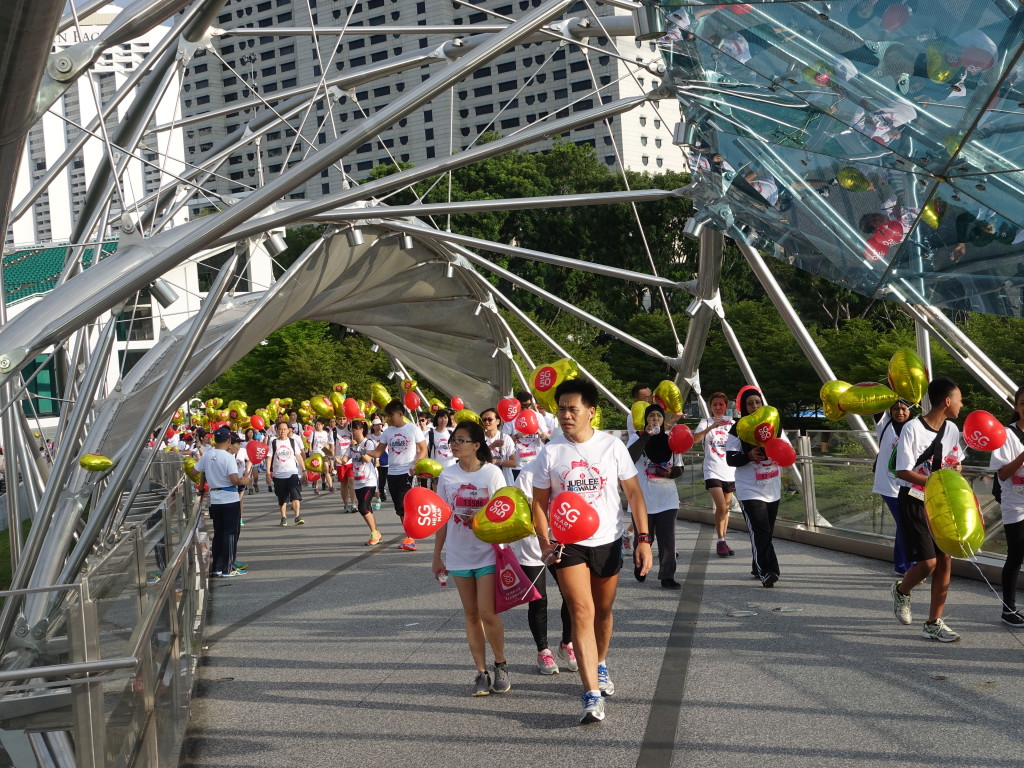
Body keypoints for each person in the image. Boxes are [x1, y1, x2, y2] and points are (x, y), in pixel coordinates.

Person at [531, 379, 653, 725]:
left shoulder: (612, 447)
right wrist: (544, 540)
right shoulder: (551, 452)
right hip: (568, 545)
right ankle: (591, 695)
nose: (565, 415)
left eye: (573, 409)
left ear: (591, 411)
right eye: (561, 409)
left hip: (609, 540)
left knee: (602, 610)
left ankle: (600, 663)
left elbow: (634, 495)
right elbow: (539, 503)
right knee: (580, 610)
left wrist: (643, 539)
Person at [431, 420, 510, 695]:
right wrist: (437, 556)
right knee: (471, 614)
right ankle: (480, 672)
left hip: (487, 553)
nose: (454, 444)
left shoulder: (492, 474)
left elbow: (505, 511)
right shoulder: (447, 476)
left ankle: (501, 664)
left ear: (477, 445)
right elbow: (442, 519)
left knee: (488, 613)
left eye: (461, 440)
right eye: (453, 439)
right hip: (458, 554)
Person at [891, 377, 964, 642]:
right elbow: (903, 470)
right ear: (947, 401)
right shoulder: (912, 428)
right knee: (928, 563)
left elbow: (955, 462)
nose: (961, 404)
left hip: (941, 502)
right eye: (959, 399)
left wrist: (955, 471)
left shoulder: (952, 430)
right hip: (913, 500)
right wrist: (936, 481)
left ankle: (933, 622)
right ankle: (902, 590)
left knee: (946, 558)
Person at [725, 386, 792, 588]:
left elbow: (787, 451)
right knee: (760, 530)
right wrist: (749, 456)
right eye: (749, 403)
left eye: (757, 402)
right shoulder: (737, 428)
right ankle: (769, 571)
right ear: (743, 407)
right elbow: (730, 459)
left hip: (771, 487)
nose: (754, 406)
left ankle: (757, 565)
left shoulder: (775, 425)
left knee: (767, 531)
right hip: (749, 489)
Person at [512, 464, 575, 675]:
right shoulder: (529, 472)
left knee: (572, 594)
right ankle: (543, 651)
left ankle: (567, 643)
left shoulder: (568, 469)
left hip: (561, 540)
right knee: (539, 600)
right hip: (532, 543)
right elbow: (518, 507)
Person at [626, 404, 684, 589]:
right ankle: (641, 565)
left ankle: (667, 576)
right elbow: (628, 458)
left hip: (667, 497)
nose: (655, 419)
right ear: (646, 420)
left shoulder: (671, 439)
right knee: (644, 538)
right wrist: (646, 436)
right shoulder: (637, 437)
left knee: (668, 538)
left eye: (659, 415)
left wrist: (670, 472)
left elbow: (679, 466)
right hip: (642, 498)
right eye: (651, 416)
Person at [361, 401, 427, 550]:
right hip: (392, 473)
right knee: (398, 507)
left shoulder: (413, 429)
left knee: (404, 504)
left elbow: (423, 449)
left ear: (400, 414)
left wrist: (415, 464)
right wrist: (363, 451)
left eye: (391, 415)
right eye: (388, 416)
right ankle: (409, 535)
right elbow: (378, 452)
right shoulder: (388, 432)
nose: (389, 419)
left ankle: (410, 537)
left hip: (407, 472)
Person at [989, 385, 1024, 628]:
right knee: (1016, 555)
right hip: (1017, 504)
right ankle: (1008, 609)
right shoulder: (1006, 435)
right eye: (1023, 403)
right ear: (1016, 407)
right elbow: (1002, 474)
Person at [196, 427, 251, 577]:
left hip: (215, 499)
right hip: (229, 498)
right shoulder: (227, 457)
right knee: (230, 534)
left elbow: (195, 471)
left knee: (219, 533)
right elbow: (234, 480)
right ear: (228, 440)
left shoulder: (207, 455)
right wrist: (244, 480)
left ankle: (217, 567)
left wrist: (201, 487)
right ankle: (228, 568)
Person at [872, 399, 915, 575]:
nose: (900, 412)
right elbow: (877, 399)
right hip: (888, 485)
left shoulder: (915, 427)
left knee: (905, 524)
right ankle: (909, 565)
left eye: (904, 409)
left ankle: (902, 565)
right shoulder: (884, 422)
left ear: (910, 410)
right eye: (896, 409)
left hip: (908, 483)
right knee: (906, 523)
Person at [692, 392, 737, 557]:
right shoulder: (705, 422)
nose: (718, 408)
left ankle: (723, 540)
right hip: (712, 470)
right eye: (715, 405)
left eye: (721, 404)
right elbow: (695, 439)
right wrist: (711, 427)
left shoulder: (732, 424)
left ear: (726, 406)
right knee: (721, 507)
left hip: (730, 471)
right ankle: (720, 541)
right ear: (710, 407)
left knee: (726, 508)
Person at [348, 420, 382, 545]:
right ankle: (377, 533)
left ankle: (374, 533)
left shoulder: (369, 443)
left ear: (361, 429)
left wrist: (358, 447)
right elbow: (343, 460)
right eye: (351, 431)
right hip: (358, 482)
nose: (353, 433)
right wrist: (331, 457)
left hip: (369, 481)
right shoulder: (351, 445)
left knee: (362, 507)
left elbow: (368, 459)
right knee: (367, 508)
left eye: (354, 430)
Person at [267, 420, 306, 526]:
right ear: (276, 430)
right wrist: (267, 473)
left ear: (288, 430)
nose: (282, 431)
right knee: (282, 497)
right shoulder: (273, 442)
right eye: (280, 429)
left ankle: (297, 517)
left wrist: (304, 470)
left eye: (284, 429)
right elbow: (269, 458)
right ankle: (283, 517)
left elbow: (298, 456)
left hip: (292, 473)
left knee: (295, 495)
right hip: (278, 474)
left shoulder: (292, 442)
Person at [481, 408, 517, 484]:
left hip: (504, 482)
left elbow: (514, 463)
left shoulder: (505, 438)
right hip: (485, 481)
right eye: (484, 420)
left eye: (490, 419)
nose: (486, 422)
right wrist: (492, 445)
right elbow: (476, 458)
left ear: (498, 421)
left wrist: (497, 461)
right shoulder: (480, 438)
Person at [427, 410, 455, 490]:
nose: (443, 420)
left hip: (451, 468)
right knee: (438, 495)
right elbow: (422, 448)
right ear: (436, 419)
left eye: (445, 417)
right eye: (441, 417)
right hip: (436, 470)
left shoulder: (452, 433)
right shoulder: (430, 434)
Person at [334, 415, 356, 512]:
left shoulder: (350, 428)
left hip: (351, 460)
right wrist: (332, 461)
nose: (342, 421)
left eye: (344, 419)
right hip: (340, 461)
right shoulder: (333, 431)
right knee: (344, 484)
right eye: (339, 419)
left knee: (351, 481)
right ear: (336, 420)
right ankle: (346, 504)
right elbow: (331, 448)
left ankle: (354, 504)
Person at [309, 418, 334, 496]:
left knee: (326, 470)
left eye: (319, 424)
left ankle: (331, 486)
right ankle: (316, 487)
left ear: (323, 425)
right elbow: (310, 443)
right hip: (316, 453)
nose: (317, 426)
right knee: (316, 471)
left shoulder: (325, 433)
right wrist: (311, 452)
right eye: (316, 424)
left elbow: (327, 444)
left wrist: (329, 454)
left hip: (324, 453)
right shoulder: (313, 433)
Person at [369, 417, 388, 505]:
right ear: (373, 427)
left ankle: (382, 491)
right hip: (375, 458)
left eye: (380, 425)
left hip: (385, 457)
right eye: (376, 425)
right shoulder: (370, 437)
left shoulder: (385, 434)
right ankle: (380, 493)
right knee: (377, 477)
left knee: (384, 477)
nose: (378, 427)